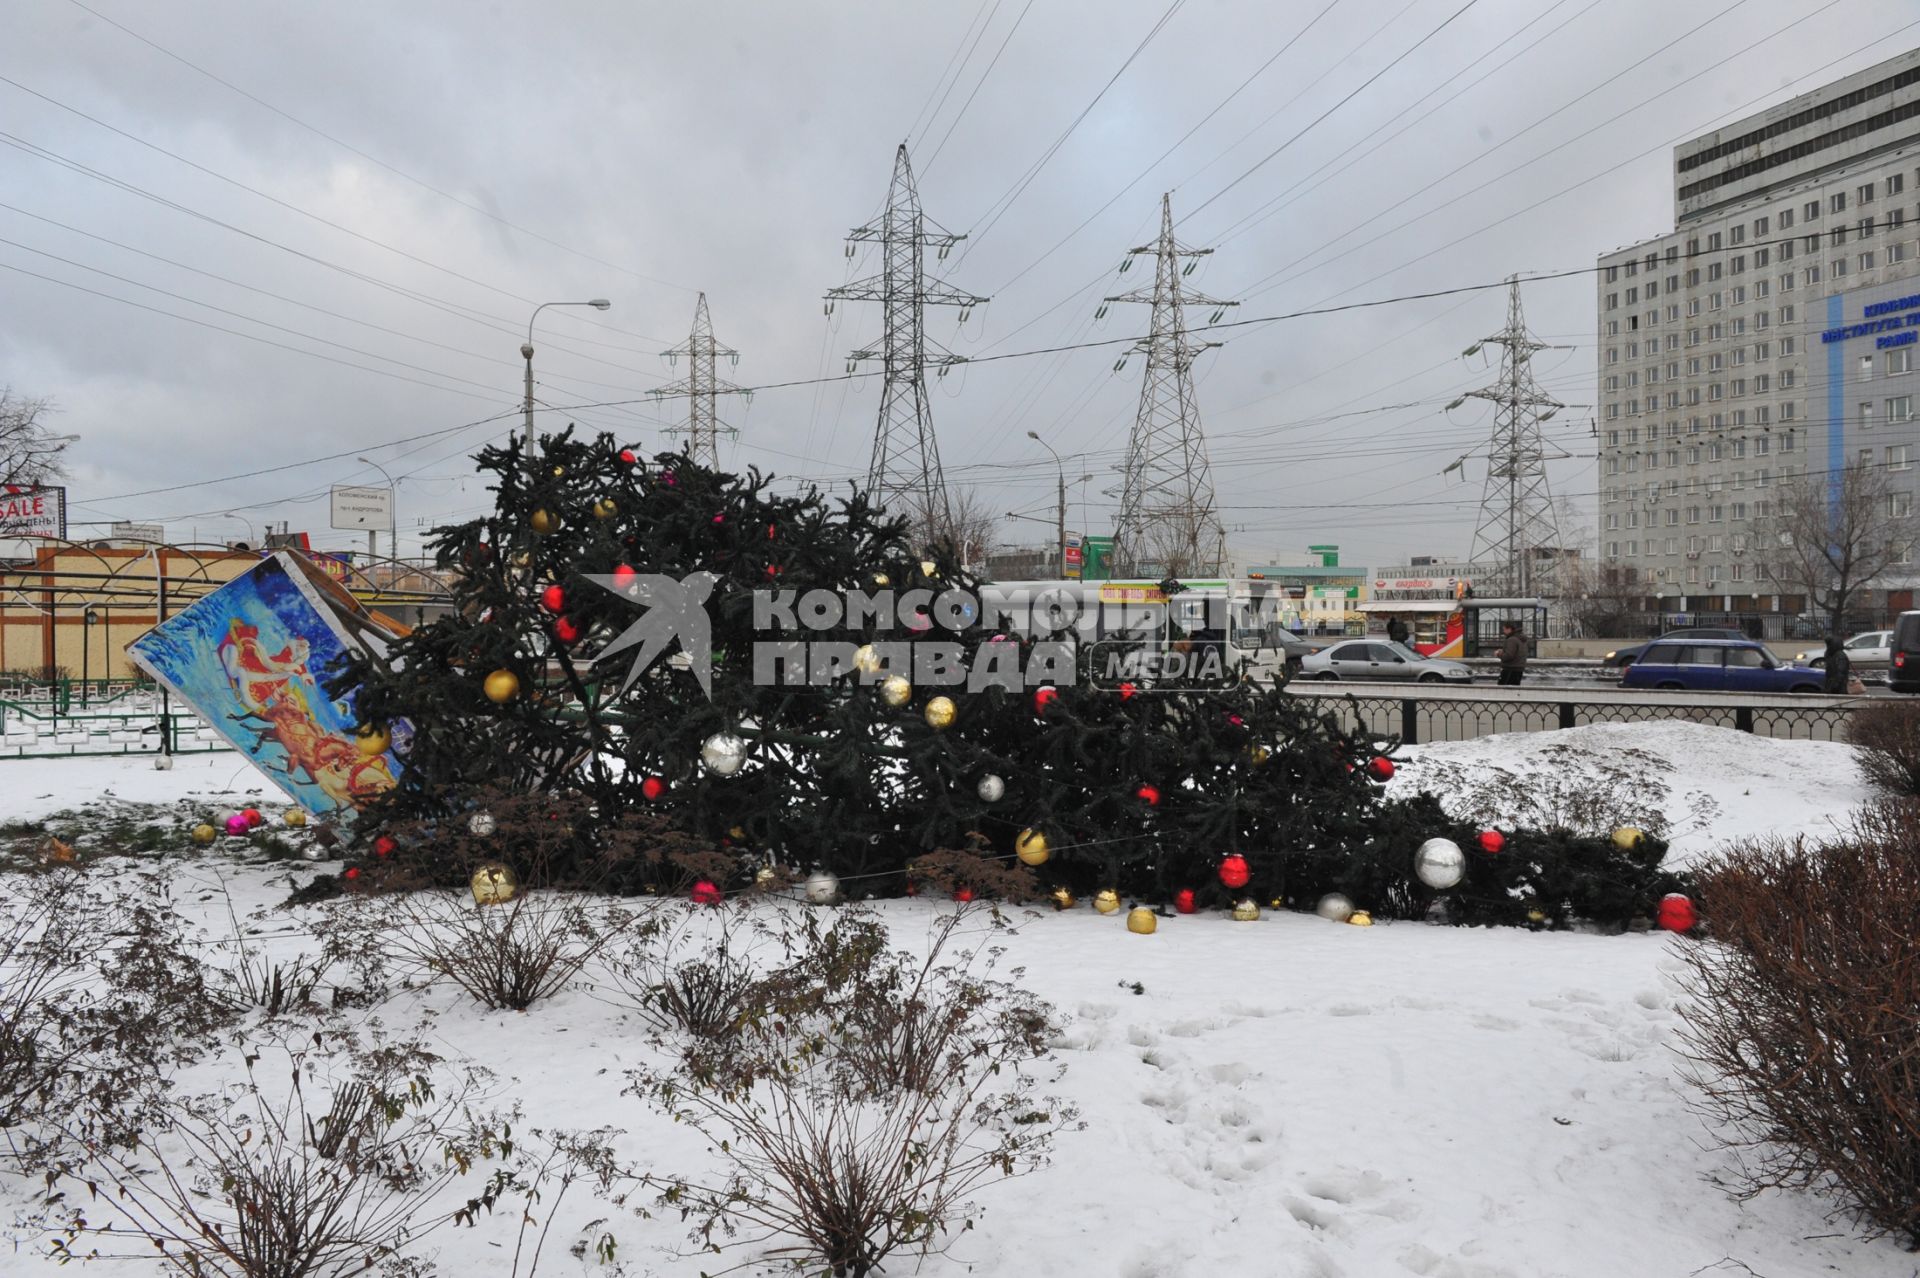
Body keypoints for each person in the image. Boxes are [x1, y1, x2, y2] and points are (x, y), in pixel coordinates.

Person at [1497, 622, 1526, 686]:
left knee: (1502, 691)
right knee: (1513, 691)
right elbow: (1517, 652)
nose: (1503, 631)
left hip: (1510, 669)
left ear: (1509, 629)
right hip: (1518, 668)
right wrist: (1504, 651)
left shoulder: (1511, 639)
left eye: (1504, 629)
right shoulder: (1520, 638)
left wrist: (1499, 654)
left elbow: (1509, 656)